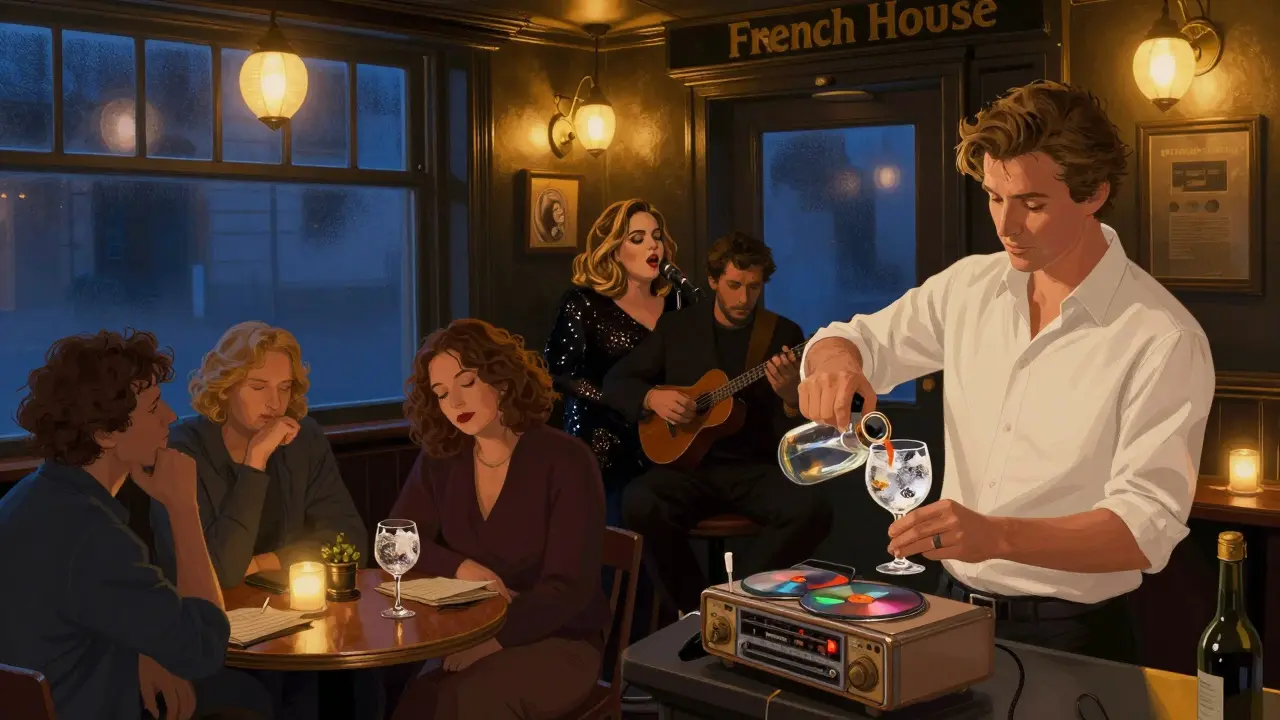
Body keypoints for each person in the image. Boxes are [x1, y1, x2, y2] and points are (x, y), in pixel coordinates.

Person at [798, 80, 1215, 665]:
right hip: (949, 612)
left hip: (1075, 638)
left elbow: (1145, 528)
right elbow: (852, 338)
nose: (1006, 224)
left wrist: (995, 535)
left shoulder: (1162, 337)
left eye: (1033, 204)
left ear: (1094, 193)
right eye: (995, 197)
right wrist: (836, 365)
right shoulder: (970, 286)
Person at [0, 329, 273, 720]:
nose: (171, 417)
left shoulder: (31, 498)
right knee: (245, 701)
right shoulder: (93, 535)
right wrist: (183, 508)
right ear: (106, 434)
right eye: (153, 407)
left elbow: (76, 618)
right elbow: (204, 648)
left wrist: (141, 653)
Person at [603, 231, 833, 615]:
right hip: (690, 470)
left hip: (754, 469)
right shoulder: (678, 329)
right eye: (733, 285)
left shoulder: (783, 335)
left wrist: (791, 397)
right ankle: (694, 607)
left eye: (753, 287)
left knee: (813, 508)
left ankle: (736, 599)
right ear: (713, 281)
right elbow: (616, 382)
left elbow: (792, 432)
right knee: (639, 502)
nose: (743, 298)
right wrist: (651, 397)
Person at [390, 319, 610, 720]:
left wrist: (495, 642)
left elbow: (568, 589)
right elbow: (396, 541)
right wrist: (461, 567)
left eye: (466, 382)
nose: (454, 402)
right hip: (465, 630)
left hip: (561, 639)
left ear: (502, 380)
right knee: (418, 699)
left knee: (471, 699)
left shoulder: (566, 460)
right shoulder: (443, 458)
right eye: (441, 394)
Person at [149, 321, 369, 720]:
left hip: (292, 621)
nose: (275, 402)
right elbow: (224, 571)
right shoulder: (183, 450)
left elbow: (350, 540)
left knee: (357, 677)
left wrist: (269, 562)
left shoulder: (304, 439)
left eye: (284, 388)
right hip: (212, 636)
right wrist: (255, 462)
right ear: (226, 387)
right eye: (258, 387)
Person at [545, 198, 684, 522]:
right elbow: (561, 374)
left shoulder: (679, 300)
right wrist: (634, 400)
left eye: (656, 236)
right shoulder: (583, 303)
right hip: (601, 441)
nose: (652, 245)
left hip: (668, 440)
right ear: (613, 249)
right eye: (637, 238)